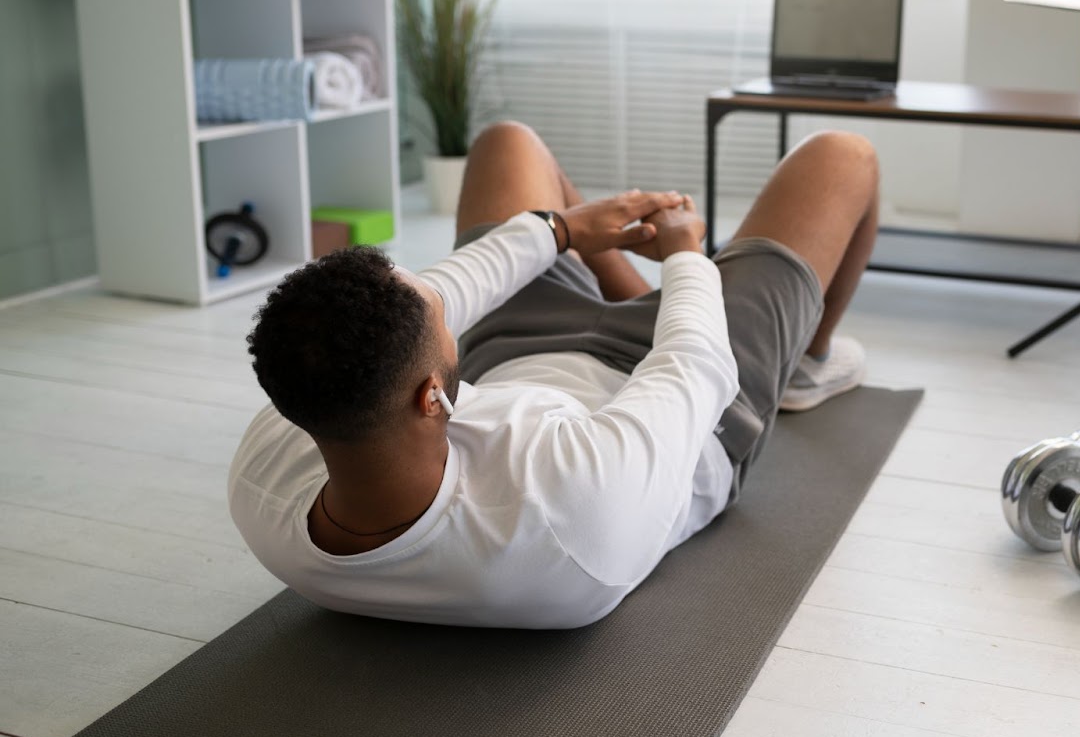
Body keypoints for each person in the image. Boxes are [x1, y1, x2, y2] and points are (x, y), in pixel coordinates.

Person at [228, 122, 879, 628]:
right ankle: (809, 363)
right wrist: (683, 252)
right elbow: (696, 366)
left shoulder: (270, 466)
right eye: (442, 320)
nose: (446, 306)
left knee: (505, 143)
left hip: (519, 357)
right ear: (431, 395)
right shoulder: (567, 509)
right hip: (690, 405)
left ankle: (623, 294)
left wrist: (561, 230)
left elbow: (435, 300)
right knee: (846, 155)